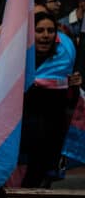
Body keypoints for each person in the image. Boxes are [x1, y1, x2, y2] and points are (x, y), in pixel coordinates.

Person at [20, 12, 77, 188]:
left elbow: (68, 103)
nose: (46, 35)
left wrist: (73, 86)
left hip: (49, 135)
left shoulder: (63, 60)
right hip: (20, 134)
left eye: (50, 30)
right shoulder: (17, 59)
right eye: (40, 30)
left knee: (37, 184)